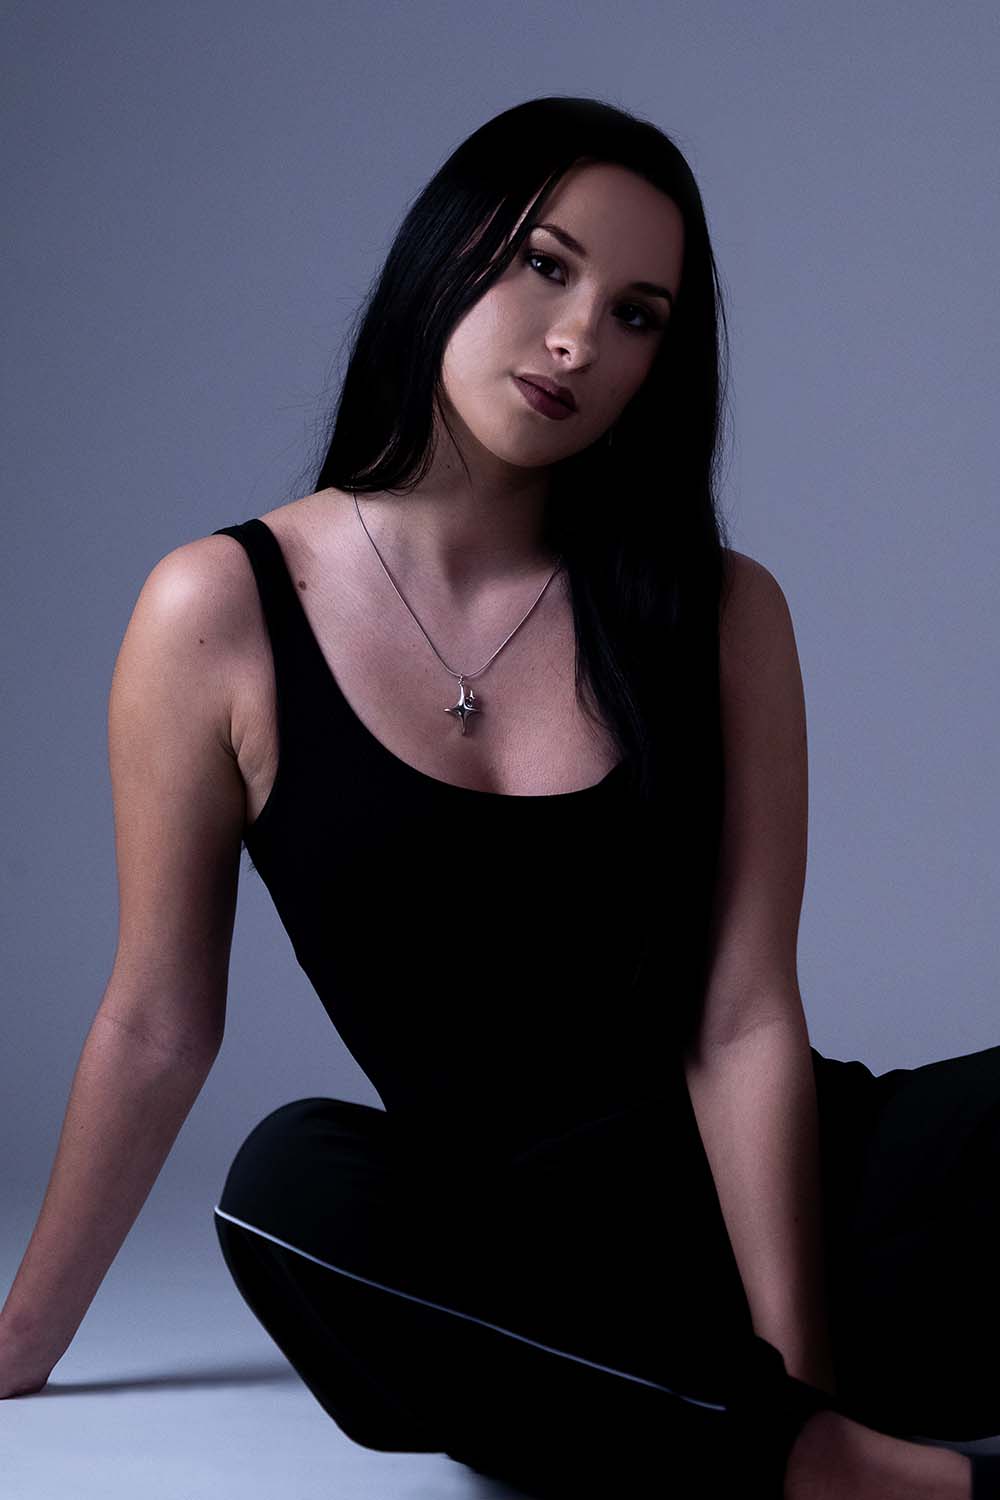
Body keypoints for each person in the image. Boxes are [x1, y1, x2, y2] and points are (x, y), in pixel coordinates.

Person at [1, 95, 997, 1499]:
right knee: (289, 1187)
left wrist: (794, 1377)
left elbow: (743, 1019)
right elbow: (159, 1022)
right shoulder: (218, 612)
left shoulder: (719, 612)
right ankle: (838, 1464)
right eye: (546, 264)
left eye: (638, 314)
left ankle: (791, 1445)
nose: (580, 337)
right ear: (447, 249)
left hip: (811, 1239)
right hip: (519, 1287)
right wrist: (22, 1336)